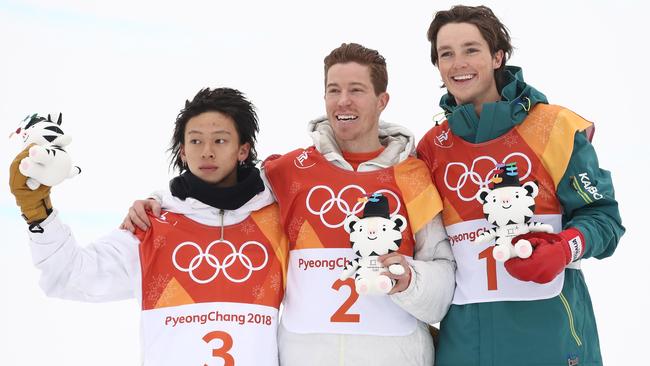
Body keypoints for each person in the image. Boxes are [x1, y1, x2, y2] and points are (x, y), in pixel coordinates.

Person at [124, 43, 456, 365]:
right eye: (333, 90)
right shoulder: (288, 171)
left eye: (356, 90)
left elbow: (441, 289)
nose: (343, 102)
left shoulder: (413, 175)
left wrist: (410, 280)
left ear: (382, 100)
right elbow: (221, 191)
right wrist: (160, 200)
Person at [9, 88, 288, 366]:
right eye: (195, 141)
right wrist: (39, 213)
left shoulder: (278, 222)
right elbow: (70, 275)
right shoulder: (152, 227)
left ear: (243, 150)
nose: (207, 152)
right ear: (182, 151)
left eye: (220, 140)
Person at [416, 5, 625, 366]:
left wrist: (564, 247)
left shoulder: (553, 127)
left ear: (498, 56)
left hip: (553, 343)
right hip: (465, 349)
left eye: (471, 49)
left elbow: (604, 219)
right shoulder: (431, 148)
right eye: (445, 54)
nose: (457, 63)